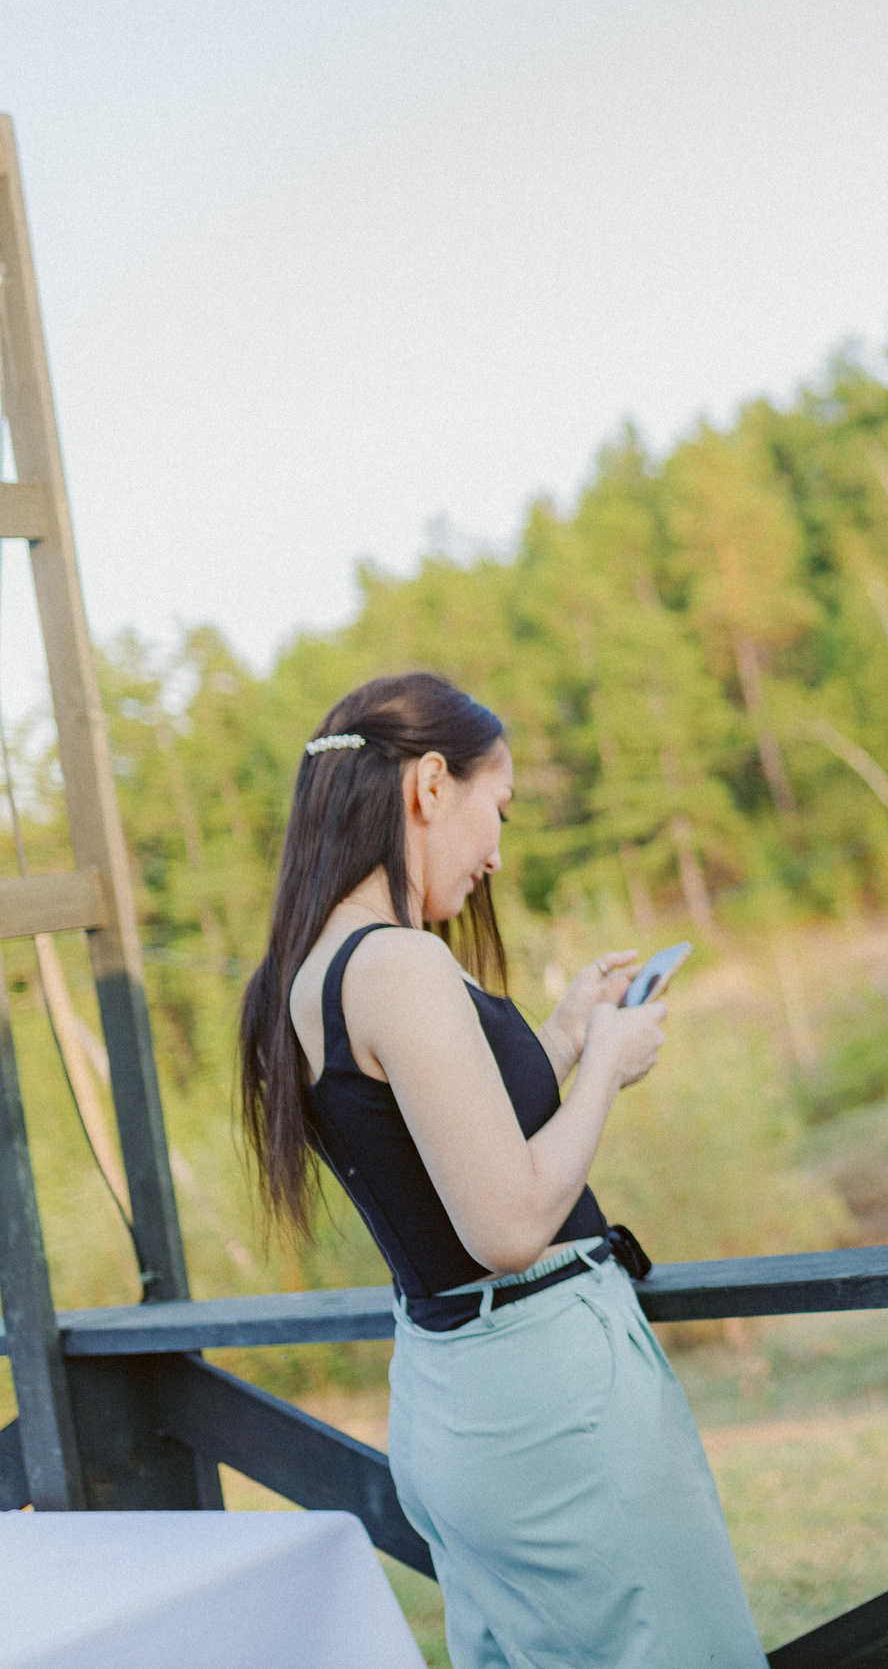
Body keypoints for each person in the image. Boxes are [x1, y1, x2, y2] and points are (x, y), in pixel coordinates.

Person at [235, 672, 762, 1668]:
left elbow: (436, 1141)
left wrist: (561, 1039)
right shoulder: (400, 964)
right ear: (432, 784)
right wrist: (605, 1067)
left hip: (450, 1392)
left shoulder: (303, 973)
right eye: (499, 809)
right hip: (547, 1399)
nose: (498, 854)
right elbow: (506, 1223)